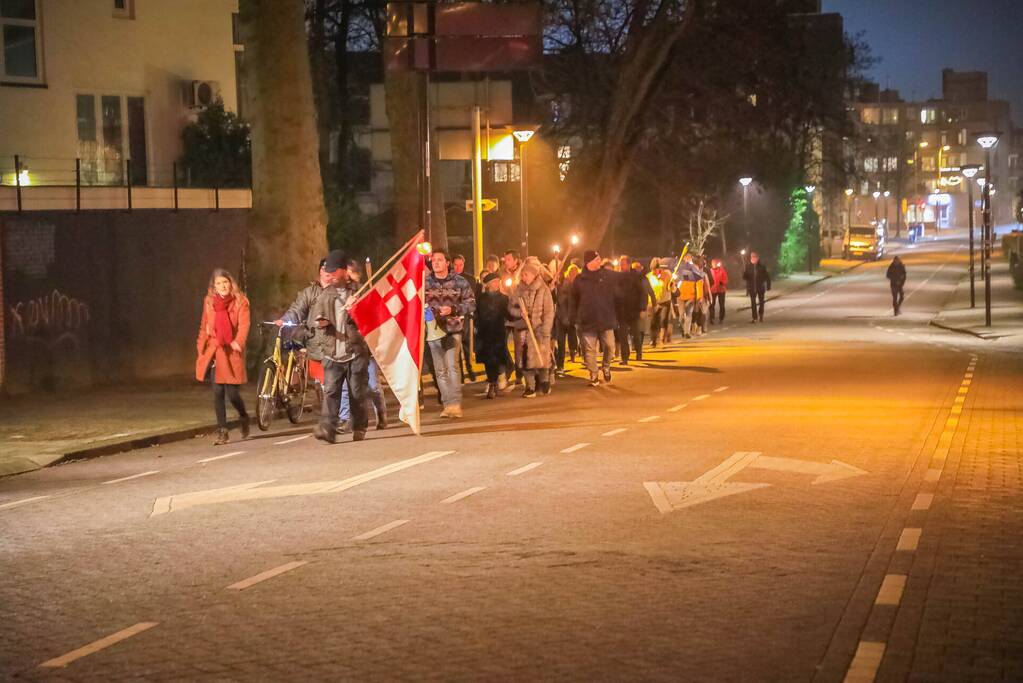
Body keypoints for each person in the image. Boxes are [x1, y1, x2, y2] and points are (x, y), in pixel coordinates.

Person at [279, 249, 370, 444]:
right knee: (331, 391)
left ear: (345, 271)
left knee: (356, 391)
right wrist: (321, 322)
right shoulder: (325, 293)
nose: (331, 276)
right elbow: (318, 317)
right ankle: (328, 429)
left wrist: (355, 309)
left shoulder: (360, 292)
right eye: (328, 272)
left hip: (354, 351)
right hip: (331, 350)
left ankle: (360, 425)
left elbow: (369, 320)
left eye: (334, 271)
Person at [196, 269, 251, 446]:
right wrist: (201, 348)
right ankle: (222, 431)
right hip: (215, 349)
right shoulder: (209, 301)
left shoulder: (241, 301)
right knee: (218, 391)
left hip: (232, 351)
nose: (222, 286)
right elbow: (204, 325)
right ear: (214, 286)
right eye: (218, 284)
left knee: (233, 394)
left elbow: (244, 325)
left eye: (225, 282)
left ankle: (243, 416)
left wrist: (238, 342)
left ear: (231, 283)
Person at [425, 248, 476, 418]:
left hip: (453, 330)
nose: (436, 262)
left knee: (452, 366)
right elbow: (416, 304)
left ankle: (455, 403)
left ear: (447, 263)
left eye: (440, 259)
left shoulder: (459, 281)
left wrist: (453, 309)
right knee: (440, 370)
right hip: (433, 331)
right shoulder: (425, 283)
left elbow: (471, 303)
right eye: (433, 260)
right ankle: (446, 405)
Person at [338, 262, 387, 433]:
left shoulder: (364, 293)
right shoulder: (337, 294)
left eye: (350, 273)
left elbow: (374, 318)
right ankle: (345, 419)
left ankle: (380, 413)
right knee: (346, 385)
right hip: (346, 347)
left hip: (365, 346)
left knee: (372, 385)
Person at [572, 250, 619, 386]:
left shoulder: (606, 277)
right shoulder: (579, 279)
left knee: (610, 347)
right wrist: (574, 317)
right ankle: (593, 375)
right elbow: (573, 300)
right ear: (589, 263)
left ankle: (606, 366)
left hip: (606, 318)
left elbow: (615, 295)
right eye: (597, 260)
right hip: (586, 320)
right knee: (589, 350)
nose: (600, 262)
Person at [510, 259, 555, 397]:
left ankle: (544, 381)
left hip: (540, 330)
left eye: (526, 275)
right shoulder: (518, 290)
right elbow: (511, 307)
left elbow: (549, 311)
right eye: (522, 275)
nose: (523, 277)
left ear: (534, 275)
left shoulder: (543, 290)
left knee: (542, 357)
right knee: (525, 357)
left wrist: (545, 329)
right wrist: (520, 313)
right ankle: (530, 386)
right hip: (524, 330)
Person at [475, 272, 513, 398]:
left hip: (498, 333)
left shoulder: (503, 298)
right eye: (494, 281)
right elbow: (477, 313)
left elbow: (509, 314)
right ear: (489, 284)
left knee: (496, 359)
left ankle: (493, 382)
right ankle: (492, 382)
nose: (497, 284)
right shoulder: (481, 297)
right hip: (484, 333)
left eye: (498, 281)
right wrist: (476, 325)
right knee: (487, 360)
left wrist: (517, 315)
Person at [616, 256, 655, 364]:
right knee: (623, 336)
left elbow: (643, 293)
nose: (621, 266)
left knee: (635, 334)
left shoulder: (637, 277)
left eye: (622, 264)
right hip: (622, 311)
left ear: (628, 264)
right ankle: (624, 358)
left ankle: (638, 352)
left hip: (634, 310)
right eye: (620, 264)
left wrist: (642, 308)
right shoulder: (618, 277)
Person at [452, 254, 478, 382]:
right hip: (453, 316)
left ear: (463, 264)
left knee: (467, 344)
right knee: (456, 345)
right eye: (455, 265)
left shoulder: (470, 279)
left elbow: (473, 297)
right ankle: (460, 372)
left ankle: (470, 368)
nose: (458, 267)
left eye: (460, 265)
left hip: (466, 316)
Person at [554, 264, 580, 373]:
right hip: (561, 318)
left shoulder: (577, 286)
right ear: (568, 274)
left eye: (576, 273)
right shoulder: (563, 285)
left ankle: (573, 354)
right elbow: (561, 302)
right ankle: (560, 365)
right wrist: (564, 317)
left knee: (572, 339)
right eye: (572, 273)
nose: (574, 275)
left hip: (571, 318)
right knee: (561, 343)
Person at [677, 253, 706, 338]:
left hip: (690, 296)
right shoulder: (679, 268)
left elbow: (699, 282)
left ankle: (686, 332)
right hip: (681, 296)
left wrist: (700, 296)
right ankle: (682, 326)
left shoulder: (694, 268)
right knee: (682, 314)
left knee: (689, 314)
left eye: (689, 259)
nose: (688, 260)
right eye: (687, 259)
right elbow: (674, 282)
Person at [742, 251, 771, 323]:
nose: (753, 258)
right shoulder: (748, 266)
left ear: (757, 258)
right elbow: (745, 277)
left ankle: (761, 314)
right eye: (752, 257)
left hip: (760, 287)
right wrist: (744, 274)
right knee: (753, 303)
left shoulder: (762, 266)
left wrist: (768, 285)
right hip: (752, 288)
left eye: (754, 257)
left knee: (761, 302)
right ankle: (754, 317)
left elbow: (767, 276)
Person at [709, 258, 728, 323]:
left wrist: (722, 282)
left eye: (715, 263)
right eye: (713, 263)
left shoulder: (722, 270)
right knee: (711, 304)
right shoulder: (710, 271)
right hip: (712, 290)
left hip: (721, 290)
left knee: (722, 305)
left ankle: (721, 318)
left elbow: (725, 279)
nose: (714, 264)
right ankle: (711, 318)